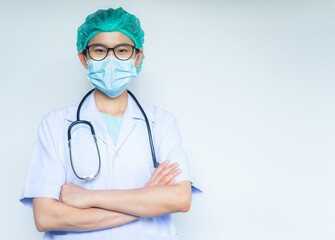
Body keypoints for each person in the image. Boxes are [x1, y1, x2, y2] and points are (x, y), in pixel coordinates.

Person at [20, 7, 202, 240]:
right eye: (99, 50)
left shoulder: (162, 123)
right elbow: (46, 217)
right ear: (84, 58)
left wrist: (90, 198)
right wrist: (146, 200)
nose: (110, 59)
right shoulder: (56, 124)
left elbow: (180, 199)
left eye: (122, 50)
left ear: (137, 57)